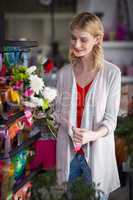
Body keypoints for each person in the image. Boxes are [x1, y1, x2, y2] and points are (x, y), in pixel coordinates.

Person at [54, 12, 121, 200]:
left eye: (83, 39)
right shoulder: (64, 74)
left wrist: (91, 135)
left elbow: (110, 120)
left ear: (97, 39)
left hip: (97, 154)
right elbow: (58, 113)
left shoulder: (111, 74)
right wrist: (69, 127)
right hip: (69, 155)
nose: (76, 45)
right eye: (73, 38)